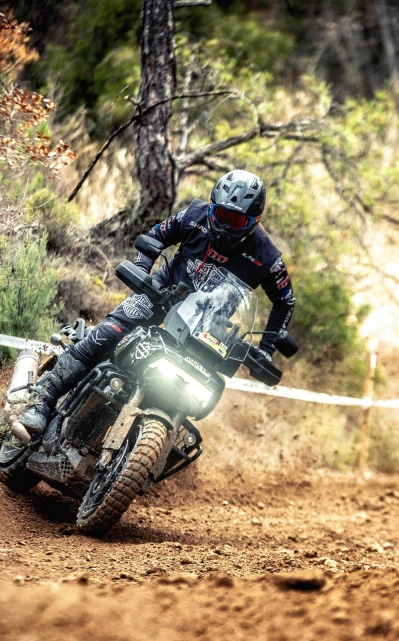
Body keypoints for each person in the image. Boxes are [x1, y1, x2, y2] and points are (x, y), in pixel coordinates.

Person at [17, 169, 295, 439]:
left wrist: (266, 349)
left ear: (255, 220)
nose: (226, 225)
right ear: (211, 206)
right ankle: (42, 399)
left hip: (205, 328)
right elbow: (155, 237)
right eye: (221, 215)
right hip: (161, 294)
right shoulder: (194, 215)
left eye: (236, 220)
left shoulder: (268, 257)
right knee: (109, 333)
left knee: (192, 388)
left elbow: (285, 301)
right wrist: (142, 273)